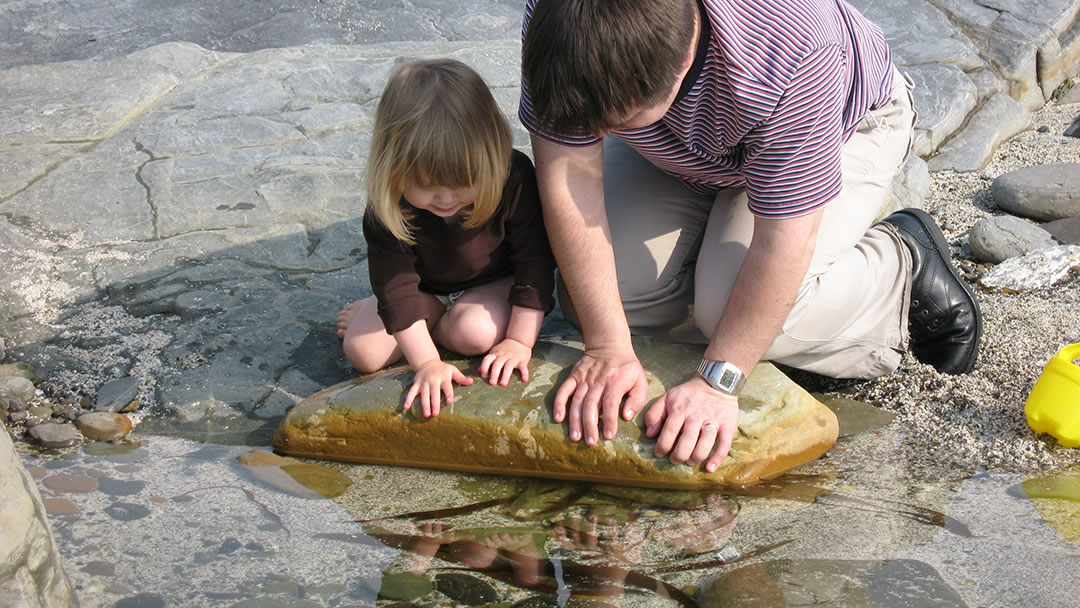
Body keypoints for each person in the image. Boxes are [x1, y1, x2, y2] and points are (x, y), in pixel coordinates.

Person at [518, 0, 981, 471]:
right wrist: (607, 347)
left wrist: (718, 381)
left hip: (844, 125)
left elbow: (785, 238)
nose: (594, 135)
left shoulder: (793, 46)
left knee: (729, 317)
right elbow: (570, 175)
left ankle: (900, 264)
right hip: (677, 150)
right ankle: (713, 258)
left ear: (681, 61)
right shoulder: (559, 19)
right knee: (604, 299)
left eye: (614, 122)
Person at [338, 58, 556, 417]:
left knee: (474, 335)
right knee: (362, 353)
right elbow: (398, 286)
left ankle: (431, 320)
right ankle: (419, 314)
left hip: (493, 283)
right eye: (425, 186)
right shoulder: (387, 204)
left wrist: (519, 341)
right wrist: (426, 364)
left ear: (491, 158)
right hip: (423, 290)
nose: (445, 199)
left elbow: (535, 264)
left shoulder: (514, 178)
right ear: (392, 168)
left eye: (462, 184)